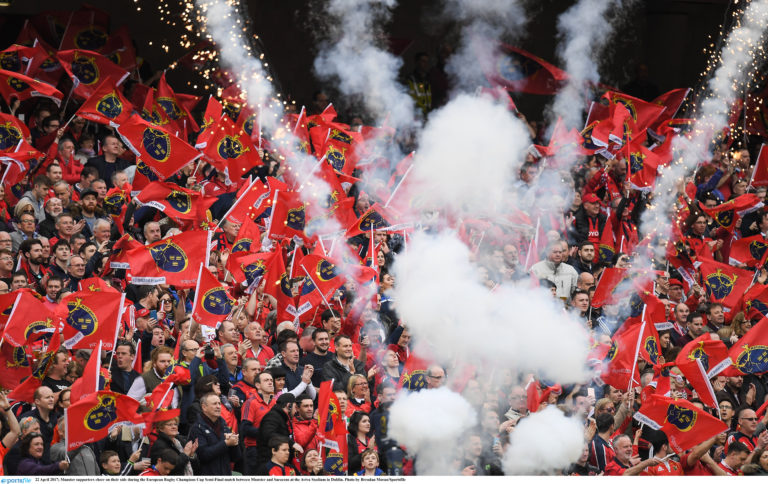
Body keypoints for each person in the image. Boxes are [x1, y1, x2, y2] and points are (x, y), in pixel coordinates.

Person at [187, 392, 241, 475]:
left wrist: (234, 443)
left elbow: (235, 458)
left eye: (219, 403)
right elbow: (203, 455)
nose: (218, 406)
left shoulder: (224, 426)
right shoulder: (197, 428)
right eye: (214, 404)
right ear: (204, 407)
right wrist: (225, 443)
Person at [256, 393, 297, 470]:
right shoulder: (272, 416)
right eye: (295, 407)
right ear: (289, 406)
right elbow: (269, 434)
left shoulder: (281, 417)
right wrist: (291, 443)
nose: (296, 410)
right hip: (269, 465)